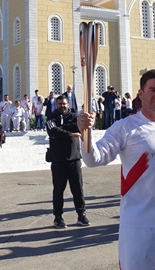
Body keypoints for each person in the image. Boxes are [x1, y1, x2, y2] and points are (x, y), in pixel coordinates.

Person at [78, 69, 155, 270]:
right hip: (137, 227)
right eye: (152, 90)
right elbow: (94, 159)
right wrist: (85, 133)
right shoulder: (125, 127)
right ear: (141, 93)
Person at [46, 95, 88, 229]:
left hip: (74, 158)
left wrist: (61, 129)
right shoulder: (51, 117)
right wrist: (69, 133)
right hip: (58, 160)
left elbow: (77, 126)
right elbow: (52, 130)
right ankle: (58, 217)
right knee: (58, 190)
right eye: (59, 104)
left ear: (68, 104)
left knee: (78, 189)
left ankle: (81, 214)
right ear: (56, 105)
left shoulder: (75, 117)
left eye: (64, 104)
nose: (62, 106)